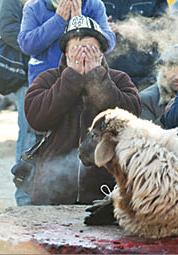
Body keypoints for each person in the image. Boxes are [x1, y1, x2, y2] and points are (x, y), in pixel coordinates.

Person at [24, 15, 140, 209]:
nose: (83, 55)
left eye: (91, 49)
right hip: (52, 187)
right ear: (66, 54)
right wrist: (71, 77)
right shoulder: (48, 78)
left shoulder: (119, 79)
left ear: (102, 53)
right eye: (77, 49)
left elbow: (131, 117)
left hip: (106, 187)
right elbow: (37, 119)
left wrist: (96, 78)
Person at [0, 0, 56, 206]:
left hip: (62, 73)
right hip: (26, 73)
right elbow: (7, 28)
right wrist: (40, 42)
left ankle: (52, 194)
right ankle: (25, 198)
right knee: (30, 133)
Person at [18, 0, 116, 86]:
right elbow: (27, 45)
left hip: (85, 78)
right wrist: (58, 21)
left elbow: (109, 42)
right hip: (45, 79)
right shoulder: (34, 6)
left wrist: (81, 24)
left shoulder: (94, 5)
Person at [87, 0, 168, 90]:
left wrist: (127, 29)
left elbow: (164, 30)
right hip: (103, 73)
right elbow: (79, 31)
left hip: (143, 76)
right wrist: (99, 28)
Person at [139, 44, 178, 127]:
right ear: (163, 70)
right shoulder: (146, 99)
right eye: (172, 70)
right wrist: (164, 119)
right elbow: (145, 136)